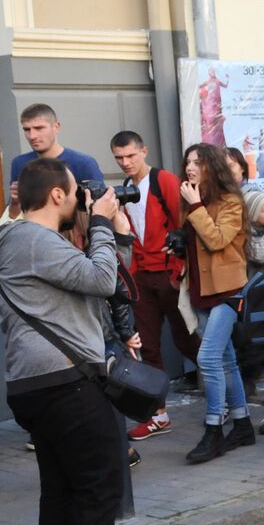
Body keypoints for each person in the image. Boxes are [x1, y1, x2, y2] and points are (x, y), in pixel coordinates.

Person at [0, 159, 151, 525]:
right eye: (76, 192)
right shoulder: (33, 241)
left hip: (38, 385)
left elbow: (101, 286)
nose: (81, 198)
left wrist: (110, 232)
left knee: (61, 495)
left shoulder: (20, 243)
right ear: (56, 195)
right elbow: (99, 281)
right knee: (98, 492)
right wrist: (99, 221)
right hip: (65, 384)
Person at [110, 130, 201, 442]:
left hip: (168, 274)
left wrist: (179, 268)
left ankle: (226, 400)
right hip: (141, 278)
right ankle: (158, 415)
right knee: (146, 345)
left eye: (130, 156)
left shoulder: (164, 181)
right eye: (119, 157)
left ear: (144, 151)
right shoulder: (124, 189)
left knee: (189, 341)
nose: (125, 162)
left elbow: (185, 224)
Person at [180, 143, 254, 463]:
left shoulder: (230, 200)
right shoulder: (195, 199)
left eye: (197, 162)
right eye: (187, 163)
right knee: (226, 360)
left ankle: (214, 429)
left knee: (208, 359)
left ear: (212, 165)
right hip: (200, 290)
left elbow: (218, 240)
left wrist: (195, 205)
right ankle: (242, 423)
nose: (190, 168)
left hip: (227, 291)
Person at [6, 104, 104, 221]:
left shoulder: (83, 163)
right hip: (34, 234)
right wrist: (15, 203)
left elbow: (102, 209)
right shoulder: (19, 163)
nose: (32, 136)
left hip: (78, 235)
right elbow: (12, 217)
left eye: (39, 128)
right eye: (27, 129)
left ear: (56, 127)